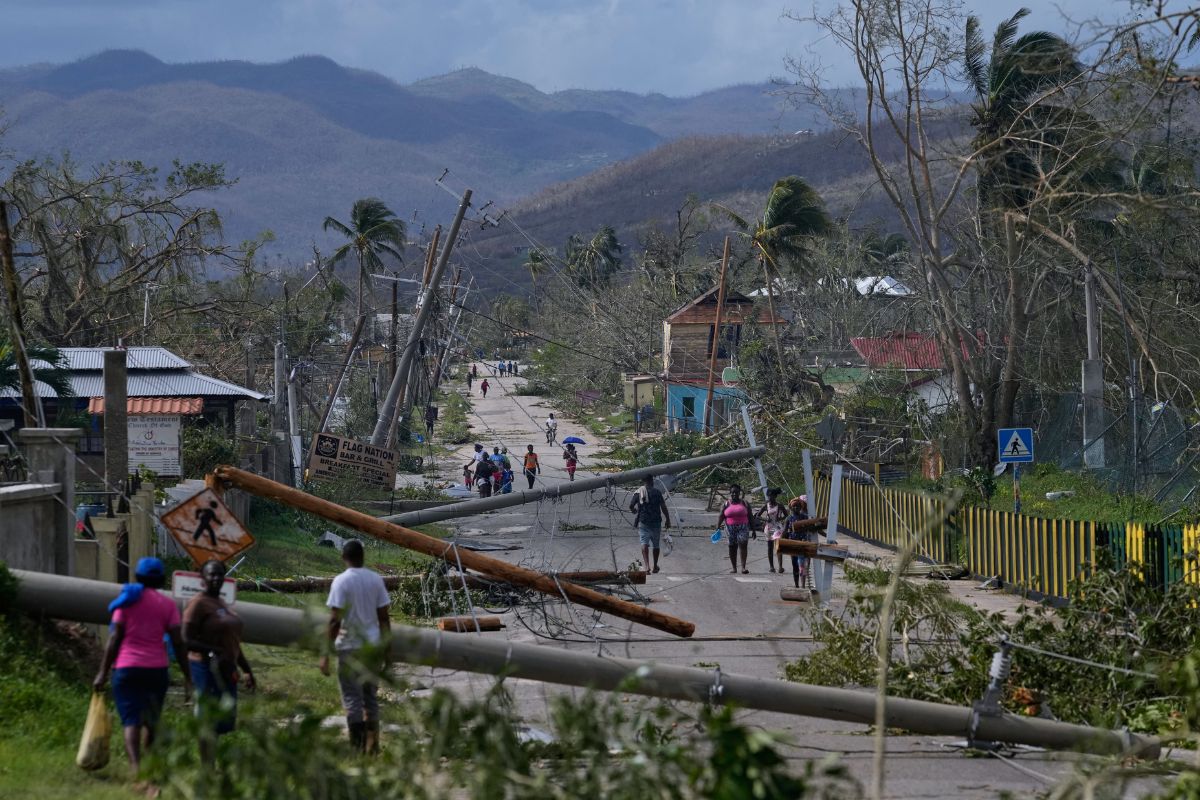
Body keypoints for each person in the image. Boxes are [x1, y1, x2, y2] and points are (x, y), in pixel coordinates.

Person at [93, 557, 192, 778]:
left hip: (127, 668)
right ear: (161, 580)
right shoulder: (168, 605)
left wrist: (102, 673)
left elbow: (114, 638)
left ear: (138, 577)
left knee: (132, 721)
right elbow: (178, 642)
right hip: (156, 670)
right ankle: (148, 766)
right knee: (151, 720)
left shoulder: (126, 601)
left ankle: (136, 769)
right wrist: (188, 676)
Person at [319, 540, 392, 754]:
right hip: (372, 647)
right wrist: (388, 651)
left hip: (349, 647)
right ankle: (373, 746)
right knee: (370, 698)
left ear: (344, 557)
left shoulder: (341, 581)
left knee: (352, 699)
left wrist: (325, 654)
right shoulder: (375, 580)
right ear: (362, 557)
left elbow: (335, 620)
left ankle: (357, 749)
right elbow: (384, 619)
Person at [184, 559, 255, 763]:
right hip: (205, 668)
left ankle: (212, 762)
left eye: (219, 574)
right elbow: (186, 640)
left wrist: (247, 669)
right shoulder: (198, 603)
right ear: (203, 578)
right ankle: (207, 766)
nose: (216, 578)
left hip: (226, 668)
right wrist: (214, 651)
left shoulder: (221, 602)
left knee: (222, 720)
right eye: (211, 574)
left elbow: (232, 643)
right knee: (207, 717)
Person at [629, 475, 671, 574]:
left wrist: (634, 510)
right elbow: (663, 507)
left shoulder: (638, 492)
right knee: (656, 545)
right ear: (652, 481)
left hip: (644, 522)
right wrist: (668, 519)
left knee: (644, 543)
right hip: (656, 522)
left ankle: (647, 566)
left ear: (643, 482)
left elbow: (631, 505)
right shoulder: (657, 492)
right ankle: (655, 566)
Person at [717, 484, 754, 574]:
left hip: (743, 527)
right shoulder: (726, 504)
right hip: (730, 528)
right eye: (732, 492)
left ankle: (743, 567)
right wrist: (717, 527)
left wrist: (753, 530)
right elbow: (721, 516)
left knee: (743, 545)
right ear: (730, 493)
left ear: (739, 493)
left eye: (736, 492)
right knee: (732, 547)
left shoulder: (745, 503)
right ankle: (734, 568)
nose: (734, 494)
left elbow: (750, 516)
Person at [755, 488, 788, 574]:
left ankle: (780, 567)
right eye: (769, 496)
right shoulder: (766, 505)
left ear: (775, 496)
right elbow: (757, 516)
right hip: (769, 528)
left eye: (772, 496)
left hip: (777, 527)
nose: (770, 498)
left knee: (778, 547)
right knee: (770, 547)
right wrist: (765, 519)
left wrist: (780, 518)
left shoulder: (780, 505)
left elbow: (787, 515)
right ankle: (771, 567)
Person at [784, 496, 812, 588]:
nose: (796, 508)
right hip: (792, 545)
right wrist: (780, 542)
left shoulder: (805, 517)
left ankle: (803, 586)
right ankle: (796, 585)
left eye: (798, 506)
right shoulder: (788, 519)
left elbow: (812, 528)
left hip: (802, 544)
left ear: (801, 507)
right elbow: (784, 532)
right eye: (794, 506)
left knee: (802, 565)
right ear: (791, 508)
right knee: (795, 565)